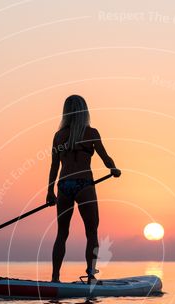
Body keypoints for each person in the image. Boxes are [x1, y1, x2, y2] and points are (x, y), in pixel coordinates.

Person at [47, 95, 121, 283]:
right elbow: (106, 158)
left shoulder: (58, 136)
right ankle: (90, 277)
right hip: (84, 185)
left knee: (61, 234)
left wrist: (50, 192)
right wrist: (114, 169)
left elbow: (54, 167)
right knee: (92, 233)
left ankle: (55, 278)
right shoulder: (92, 133)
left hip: (63, 186)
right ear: (84, 111)